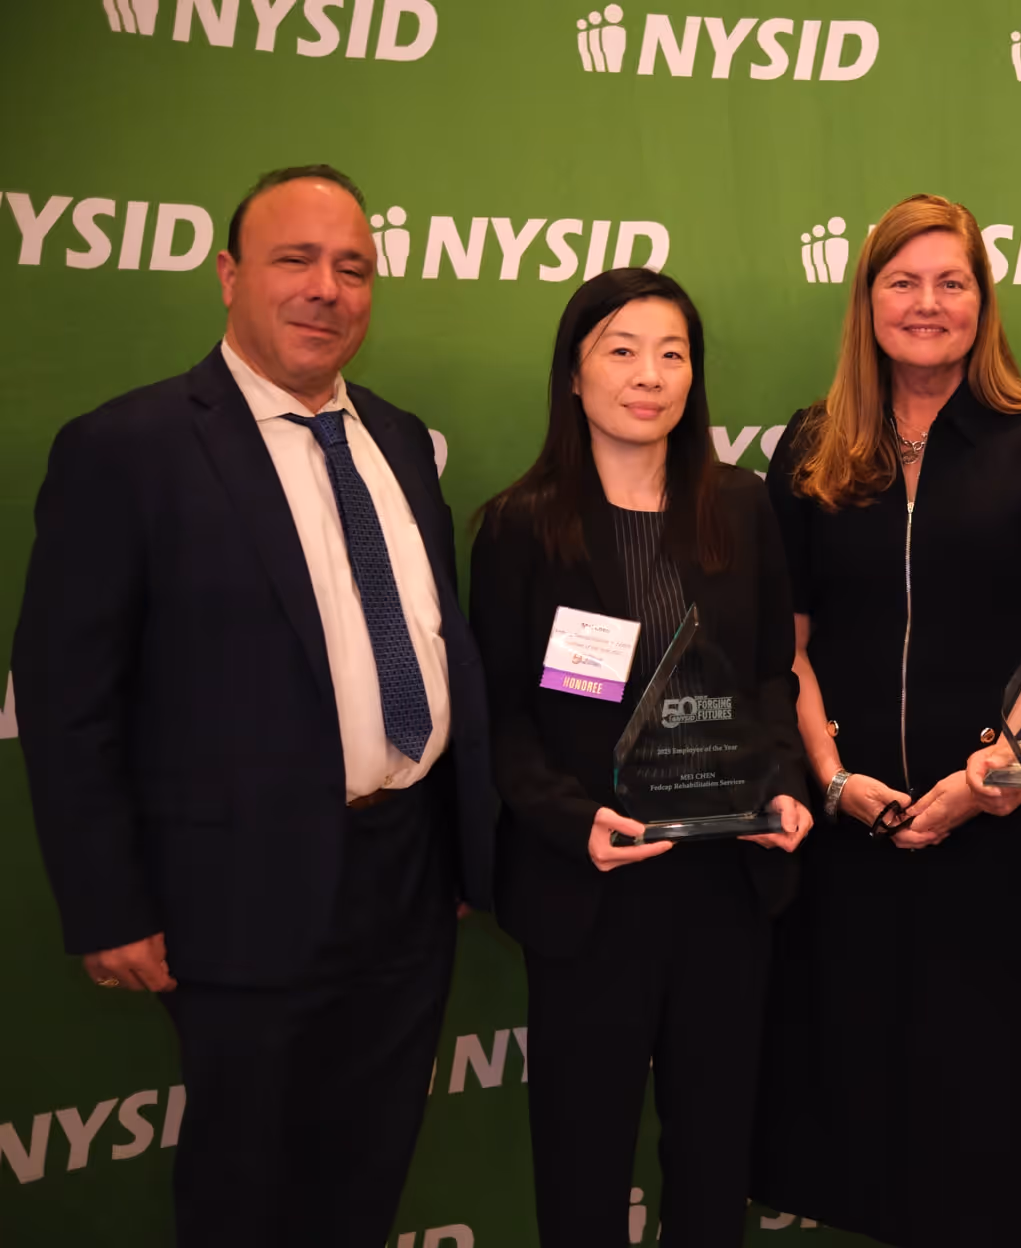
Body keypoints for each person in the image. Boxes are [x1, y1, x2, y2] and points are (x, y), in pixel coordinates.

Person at [11, 165, 496, 1247]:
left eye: (353, 267)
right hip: (232, 893)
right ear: (229, 275)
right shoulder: (126, 449)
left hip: (408, 880)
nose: (327, 288)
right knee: (246, 1193)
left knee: (366, 1176)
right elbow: (66, 699)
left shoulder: (402, 441)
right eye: (295, 260)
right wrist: (108, 903)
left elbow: (425, 636)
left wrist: (456, 849)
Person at [752, 193, 1021, 1248]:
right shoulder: (814, 445)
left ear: (983, 301)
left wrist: (1003, 771)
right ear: (866, 301)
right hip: (857, 836)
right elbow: (787, 636)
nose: (928, 303)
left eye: (951, 281)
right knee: (862, 1118)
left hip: (1003, 832)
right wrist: (830, 781)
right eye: (902, 281)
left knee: (998, 1122)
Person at [469, 268, 813, 1246]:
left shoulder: (741, 509)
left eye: (672, 353)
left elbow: (770, 680)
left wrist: (782, 785)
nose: (649, 375)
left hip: (724, 886)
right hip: (592, 890)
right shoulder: (519, 526)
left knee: (713, 1161)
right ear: (573, 375)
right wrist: (574, 822)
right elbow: (501, 714)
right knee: (582, 1158)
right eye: (621, 350)